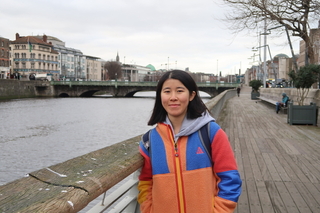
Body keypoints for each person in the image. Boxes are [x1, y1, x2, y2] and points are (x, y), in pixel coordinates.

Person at [137, 70, 242, 213]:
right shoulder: (149, 140)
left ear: (192, 95)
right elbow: (145, 182)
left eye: (180, 91)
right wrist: (149, 209)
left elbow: (230, 178)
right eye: (167, 91)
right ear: (160, 96)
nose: (173, 97)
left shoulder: (211, 132)